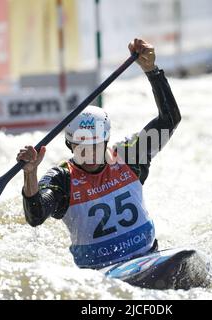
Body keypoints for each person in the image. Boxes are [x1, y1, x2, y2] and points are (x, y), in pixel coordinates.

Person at [17, 38, 181, 270]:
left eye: (96, 145)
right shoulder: (61, 179)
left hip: (147, 258)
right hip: (101, 275)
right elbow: (35, 216)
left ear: (106, 139)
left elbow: (169, 120)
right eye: (82, 146)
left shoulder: (130, 155)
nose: (90, 153)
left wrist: (151, 70)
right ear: (69, 145)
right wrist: (30, 174)